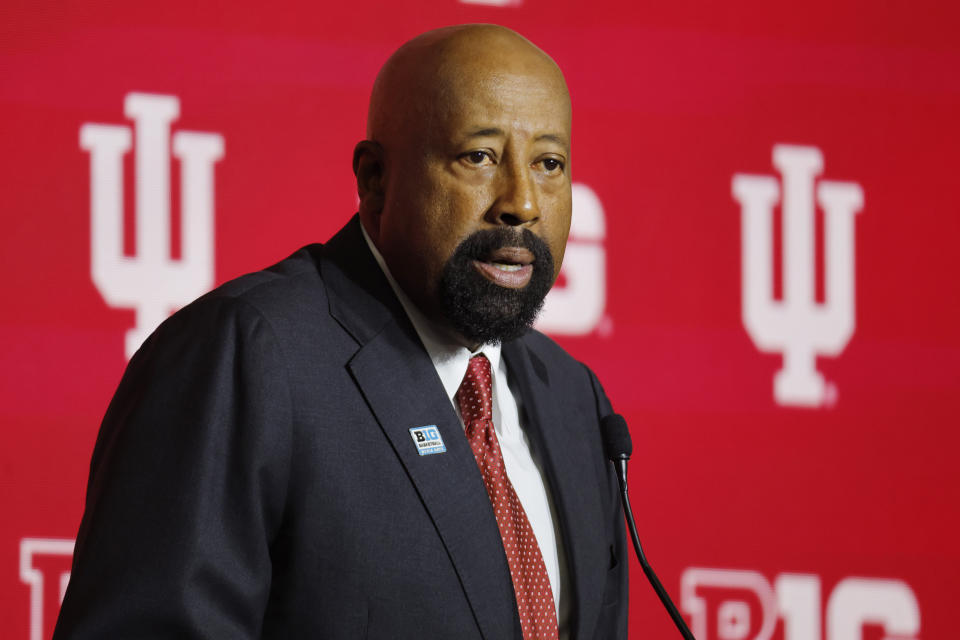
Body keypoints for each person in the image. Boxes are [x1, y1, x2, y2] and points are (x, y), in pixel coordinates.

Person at [55, 24, 627, 640]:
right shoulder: (249, 355)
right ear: (375, 178)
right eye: (479, 156)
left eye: (549, 163)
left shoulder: (574, 400)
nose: (522, 202)